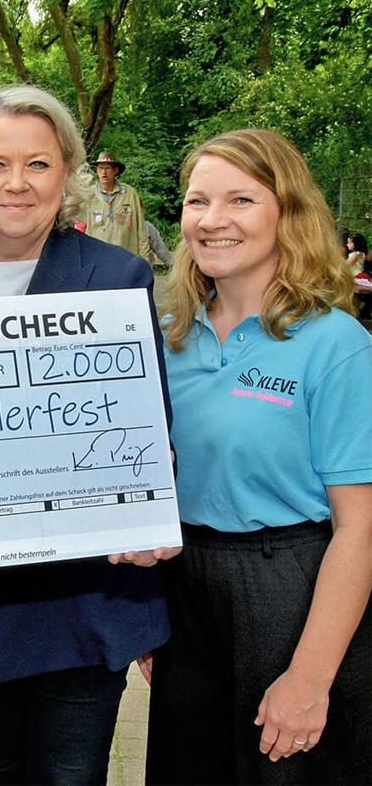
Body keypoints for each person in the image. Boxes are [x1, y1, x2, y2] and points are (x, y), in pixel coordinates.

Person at [0, 85, 177, 785]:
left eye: (38, 164)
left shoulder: (117, 278)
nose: (16, 183)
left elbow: (149, 430)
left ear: (69, 174)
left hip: (81, 603)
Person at [145, 129, 372, 784]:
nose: (212, 221)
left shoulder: (337, 345)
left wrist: (309, 675)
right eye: (197, 202)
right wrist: (152, 615)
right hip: (187, 594)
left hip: (293, 592)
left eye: (240, 200)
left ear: (287, 214)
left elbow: (360, 529)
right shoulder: (165, 336)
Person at [85, 150, 151, 260]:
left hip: (125, 258)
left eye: (107, 168)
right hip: (97, 259)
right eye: (100, 168)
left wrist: (145, 260)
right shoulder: (88, 194)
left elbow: (141, 230)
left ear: (116, 170)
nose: (104, 172)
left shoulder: (130, 194)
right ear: (96, 171)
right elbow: (80, 229)